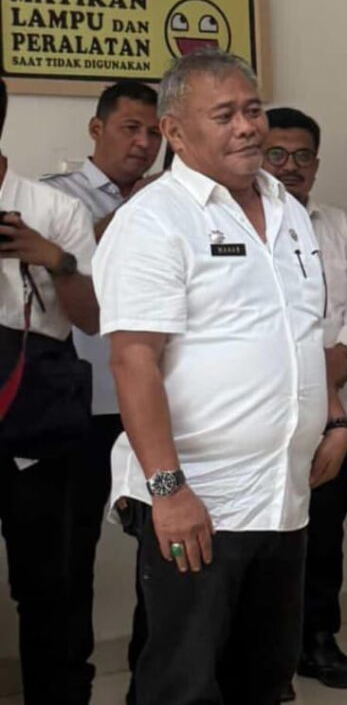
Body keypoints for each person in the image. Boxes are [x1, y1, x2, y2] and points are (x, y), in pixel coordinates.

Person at [93, 50, 347, 704]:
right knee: (182, 684)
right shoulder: (155, 219)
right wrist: (169, 491)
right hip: (197, 503)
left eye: (253, 110)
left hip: (283, 497)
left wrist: (336, 415)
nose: (246, 127)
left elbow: (300, 333)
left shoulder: (289, 211)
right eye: (225, 114)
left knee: (263, 680)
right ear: (175, 132)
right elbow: (133, 360)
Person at [41, 79, 162, 703]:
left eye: (154, 132)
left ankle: (153, 678)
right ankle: (70, 685)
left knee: (162, 553)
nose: (143, 144)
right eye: (130, 129)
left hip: (152, 404)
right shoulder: (54, 196)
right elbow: (57, 274)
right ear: (97, 129)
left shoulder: (171, 201)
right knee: (69, 558)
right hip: (79, 406)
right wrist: (123, 217)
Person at [263, 107, 347, 699]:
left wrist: (340, 357)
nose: (290, 167)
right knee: (266, 539)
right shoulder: (240, 227)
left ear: (316, 162)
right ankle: (267, 656)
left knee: (325, 534)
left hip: (338, 414)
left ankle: (318, 640)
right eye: (277, 155)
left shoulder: (338, 227)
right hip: (265, 417)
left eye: (302, 156)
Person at [0, 76, 101, 704]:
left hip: (35, 414)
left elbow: (92, 318)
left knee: (45, 582)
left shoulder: (53, 209)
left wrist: (53, 258)